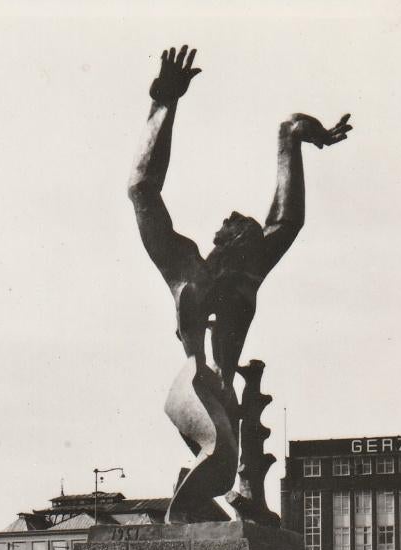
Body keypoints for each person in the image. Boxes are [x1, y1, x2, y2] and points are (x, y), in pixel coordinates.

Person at [128, 46, 352, 522]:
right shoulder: (185, 265)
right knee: (221, 460)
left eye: (252, 228)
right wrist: (164, 103)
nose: (249, 228)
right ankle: (182, 513)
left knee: (225, 466)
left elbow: (286, 217)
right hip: (191, 383)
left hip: (221, 392)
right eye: (238, 226)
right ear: (223, 241)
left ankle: (196, 511)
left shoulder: (246, 275)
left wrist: (296, 138)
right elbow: (141, 189)